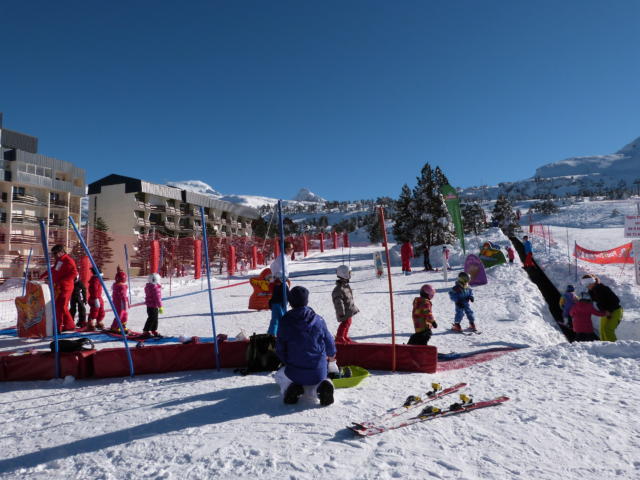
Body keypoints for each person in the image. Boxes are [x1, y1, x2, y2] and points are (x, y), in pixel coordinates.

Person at [275, 286, 337, 406]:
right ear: (307, 301)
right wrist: (331, 356)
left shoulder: (285, 321)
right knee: (321, 376)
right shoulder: (318, 319)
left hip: (294, 369)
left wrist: (286, 361)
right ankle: (323, 385)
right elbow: (329, 341)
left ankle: (290, 387)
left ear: (290, 302)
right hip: (318, 369)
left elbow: (280, 348)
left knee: (280, 376)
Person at [581, 274, 623, 341]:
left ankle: (615, 348)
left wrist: (609, 311)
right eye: (585, 284)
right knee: (602, 330)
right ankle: (604, 348)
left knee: (608, 329)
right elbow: (593, 302)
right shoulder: (591, 291)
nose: (587, 286)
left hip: (615, 310)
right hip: (605, 312)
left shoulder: (603, 289)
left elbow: (616, 300)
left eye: (588, 284)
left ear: (593, 282)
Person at [49, 244, 78, 332]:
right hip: (58, 287)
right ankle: (69, 325)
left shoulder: (68, 260)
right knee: (61, 306)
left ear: (61, 252)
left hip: (65, 287)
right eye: (53, 254)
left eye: (55, 253)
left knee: (61, 306)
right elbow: (54, 270)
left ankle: (59, 326)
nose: (54, 256)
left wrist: (62, 282)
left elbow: (74, 273)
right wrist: (43, 276)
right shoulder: (59, 261)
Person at [268, 241, 294, 335]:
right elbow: (278, 272)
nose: (292, 251)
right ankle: (274, 336)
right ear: (286, 249)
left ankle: (272, 335)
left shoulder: (283, 258)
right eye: (291, 249)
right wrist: (283, 279)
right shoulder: (282, 259)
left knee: (276, 319)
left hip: (279, 289)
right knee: (280, 318)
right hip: (279, 292)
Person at [332, 265, 360, 344]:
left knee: (348, 322)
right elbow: (338, 302)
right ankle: (339, 337)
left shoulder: (345, 286)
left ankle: (344, 336)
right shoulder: (339, 289)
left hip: (348, 309)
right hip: (344, 311)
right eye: (349, 273)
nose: (351, 274)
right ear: (345, 274)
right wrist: (341, 312)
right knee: (345, 323)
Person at [143, 273, 163, 337]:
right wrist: (160, 307)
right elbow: (157, 298)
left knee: (154, 318)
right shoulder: (155, 288)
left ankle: (153, 330)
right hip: (153, 306)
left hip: (150, 306)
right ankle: (146, 330)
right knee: (152, 318)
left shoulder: (149, 287)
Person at [110, 267, 129, 333]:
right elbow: (122, 296)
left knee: (124, 314)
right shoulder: (120, 287)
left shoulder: (120, 286)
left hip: (121, 302)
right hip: (120, 303)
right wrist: (125, 302)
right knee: (120, 314)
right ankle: (115, 326)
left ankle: (122, 325)